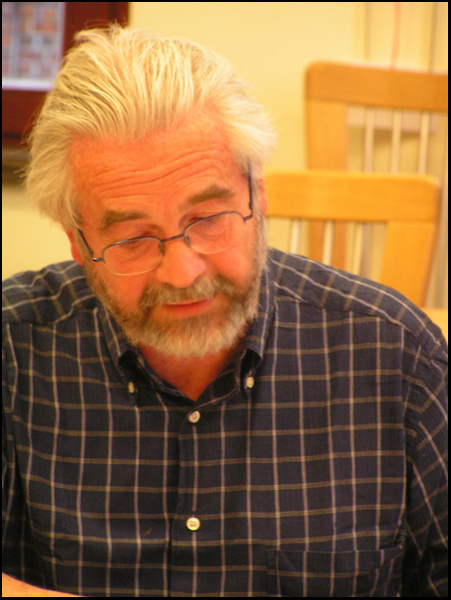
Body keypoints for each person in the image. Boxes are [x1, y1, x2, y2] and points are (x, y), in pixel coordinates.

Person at [2, 25, 447, 598]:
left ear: (258, 194)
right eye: (133, 238)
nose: (183, 272)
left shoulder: (397, 359)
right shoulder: (15, 351)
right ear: (78, 242)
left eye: (208, 219)